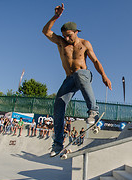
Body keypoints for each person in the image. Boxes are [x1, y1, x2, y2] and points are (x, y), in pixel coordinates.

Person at [42, 3, 112, 157]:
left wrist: (104, 75)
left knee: (80, 74)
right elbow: (45, 31)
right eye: (65, 36)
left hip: (84, 75)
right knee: (58, 104)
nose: (67, 38)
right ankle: (58, 143)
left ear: (76, 32)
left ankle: (93, 111)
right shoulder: (61, 42)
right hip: (69, 79)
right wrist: (55, 17)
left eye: (69, 35)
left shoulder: (85, 43)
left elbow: (95, 61)